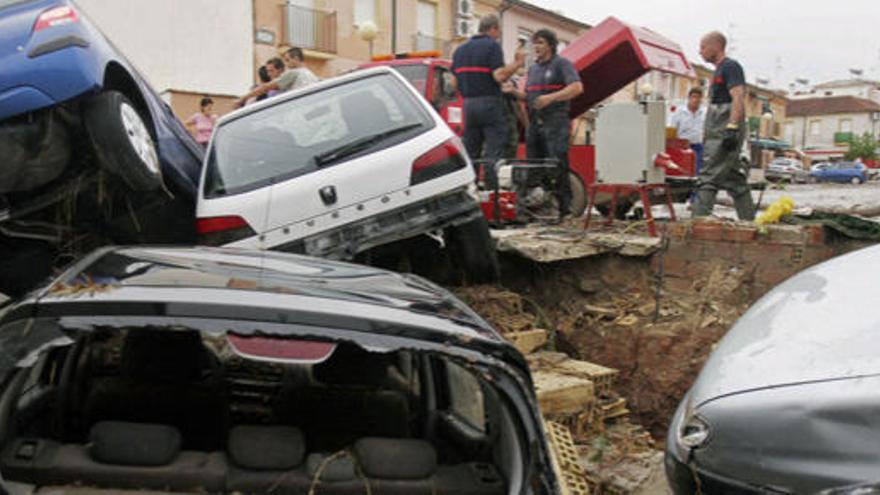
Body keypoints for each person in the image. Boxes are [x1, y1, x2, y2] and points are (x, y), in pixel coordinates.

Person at [514, 29, 583, 220]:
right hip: (535, 122)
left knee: (557, 164)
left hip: (556, 121)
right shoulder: (533, 69)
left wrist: (551, 98)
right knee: (534, 166)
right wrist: (514, 93)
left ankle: (565, 209)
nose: (536, 47)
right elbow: (530, 97)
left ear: (551, 45)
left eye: (541, 43)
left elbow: (577, 87)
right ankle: (540, 208)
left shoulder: (562, 64)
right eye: (534, 43)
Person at [450, 14, 525, 186]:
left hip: (468, 105)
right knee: (494, 150)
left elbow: (453, 83)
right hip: (490, 103)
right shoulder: (492, 46)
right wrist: (518, 62)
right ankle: (493, 192)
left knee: (471, 150)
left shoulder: (460, 50)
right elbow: (499, 76)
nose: (498, 36)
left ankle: (471, 187)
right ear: (493, 29)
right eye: (498, 32)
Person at [692, 31, 755, 220]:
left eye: (703, 47)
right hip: (716, 126)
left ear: (716, 46)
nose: (700, 51)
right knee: (733, 177)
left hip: (724, 127)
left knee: (708, 175)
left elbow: (738, 97)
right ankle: (749, 220)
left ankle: (696, 224)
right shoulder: (718, 70)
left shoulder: (730, 67)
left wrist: (732, 127)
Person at [235, 49, 318, 106]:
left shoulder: (294, 72)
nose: (286, 64)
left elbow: (266, 87)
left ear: (296, 59)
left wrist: (243, 98)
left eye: (287, 60)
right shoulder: (311, 75)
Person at [671, 87, 706, 174]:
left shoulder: (704, 112)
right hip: (682, 146)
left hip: (698, 146)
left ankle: (694, 185)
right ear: (689, 98)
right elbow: (673, 128)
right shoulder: (680, 111)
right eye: (693, 97)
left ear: (701, 99)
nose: (695, 100)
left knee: (696, 170)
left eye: (698, 97)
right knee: (682, 170)